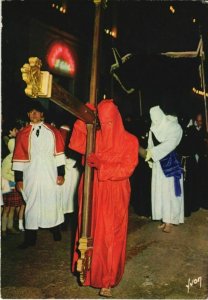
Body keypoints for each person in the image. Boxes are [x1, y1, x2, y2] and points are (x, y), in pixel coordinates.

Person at [69, 99, 139, 297]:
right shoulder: (95, 136)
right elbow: (76, 144)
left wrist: (102, 166)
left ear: (116, 119)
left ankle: (107, 279)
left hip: (115, 192)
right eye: (103, 121)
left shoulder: (130, 140)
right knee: (89, 229)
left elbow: (127, 168)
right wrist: (83, 119)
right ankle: (88, 273)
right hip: (92, 189)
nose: (107, 127)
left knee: (110, 235)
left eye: (111, 122)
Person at [12, 102, 66, 249]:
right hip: (32, 174)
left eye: (37, 112)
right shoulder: (22, 134)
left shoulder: (53, 131)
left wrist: (61, 173)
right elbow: (18, 158)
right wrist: (19, 179)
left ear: (42, 114)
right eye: (31, 112)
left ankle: (56, 230)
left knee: (52, 200)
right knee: (32, 205)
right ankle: (30, 239)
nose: (34, 114)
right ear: (28, 115)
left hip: (50, 172)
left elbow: (59, 155)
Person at [142, 105, 184, 233]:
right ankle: (164, 218)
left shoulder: (174, 127)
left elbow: (170, 144)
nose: (154, 120)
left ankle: (170, 220)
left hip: (170, 164)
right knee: (159, 191)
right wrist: (149, 156)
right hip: (157, 165)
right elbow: (150, 144)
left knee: (169, 192)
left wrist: (153, 153)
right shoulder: (153, 128)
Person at [2, 138, 25, 238]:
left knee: (12, 208)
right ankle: (3, 229)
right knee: (6, 209)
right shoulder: (8, 159)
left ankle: (10, 227)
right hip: (8, 186)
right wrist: (14, 178)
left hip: (14, 186)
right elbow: (3, 173)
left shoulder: (17, 158)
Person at [59, 125, 81, 231]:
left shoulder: (75, 141)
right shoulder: (60, 141)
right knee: (65, 198)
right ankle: (63, 223)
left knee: (71, 198)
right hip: (65, 172)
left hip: (73, 171)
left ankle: (67, 223)